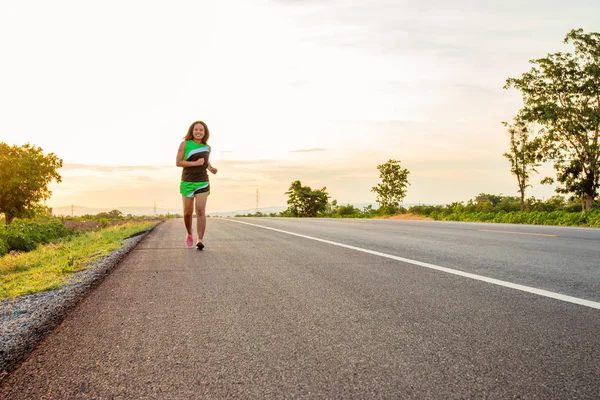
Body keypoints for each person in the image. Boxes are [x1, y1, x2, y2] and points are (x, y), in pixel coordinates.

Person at [176, 120, 218, 250]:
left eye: (201, 130)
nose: (198, 132)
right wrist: (195, 163)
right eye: (196, 129)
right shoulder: (185, 144)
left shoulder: (207, 147)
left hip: (202, 181)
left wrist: (211, 168)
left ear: (205, 133)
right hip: (187, 182)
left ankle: (200, 239)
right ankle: (189, 233)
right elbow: (178, 162)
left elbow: (205, 161)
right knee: (187, 213)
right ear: (192, 131)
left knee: (200, 210)